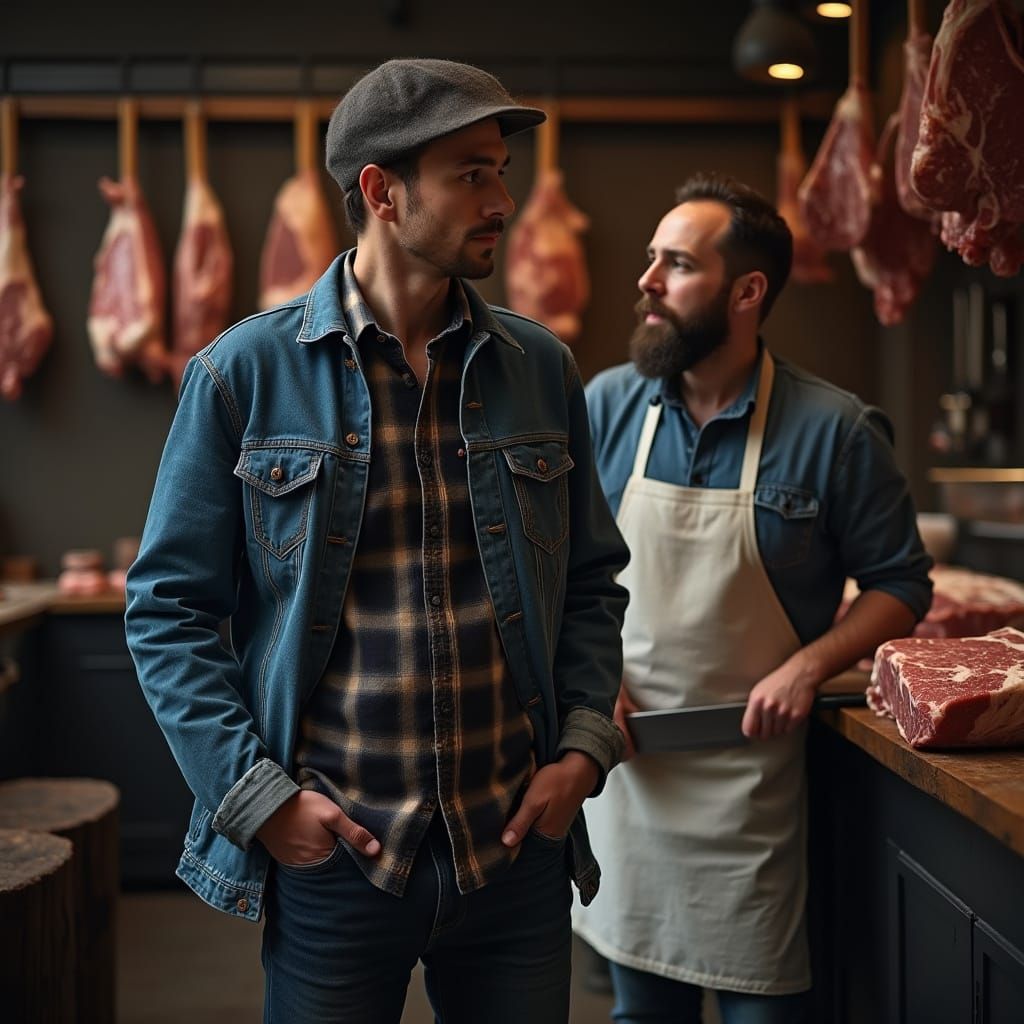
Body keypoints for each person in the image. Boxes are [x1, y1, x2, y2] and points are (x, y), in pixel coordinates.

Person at [125, 58, 629, 1024]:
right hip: (339, 867)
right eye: (472, 173)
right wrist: (258, 800)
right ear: (382, 191)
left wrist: (582, 752)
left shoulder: (540, 368)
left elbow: (594, 584)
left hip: (514, 857)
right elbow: (167, 612)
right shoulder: (243, 373)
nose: (504, 198)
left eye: (501, 169)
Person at [572, 173, 933, 1024]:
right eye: (652, 259)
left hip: (756, 791)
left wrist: (810, 666)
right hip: (636, 780)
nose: (647, 281)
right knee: (641, 1016)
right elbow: (561, 578)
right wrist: (592, 679)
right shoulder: (607, 407)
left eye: (677, 264)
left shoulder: (835, 431)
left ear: (747, 291)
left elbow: (901, 585)